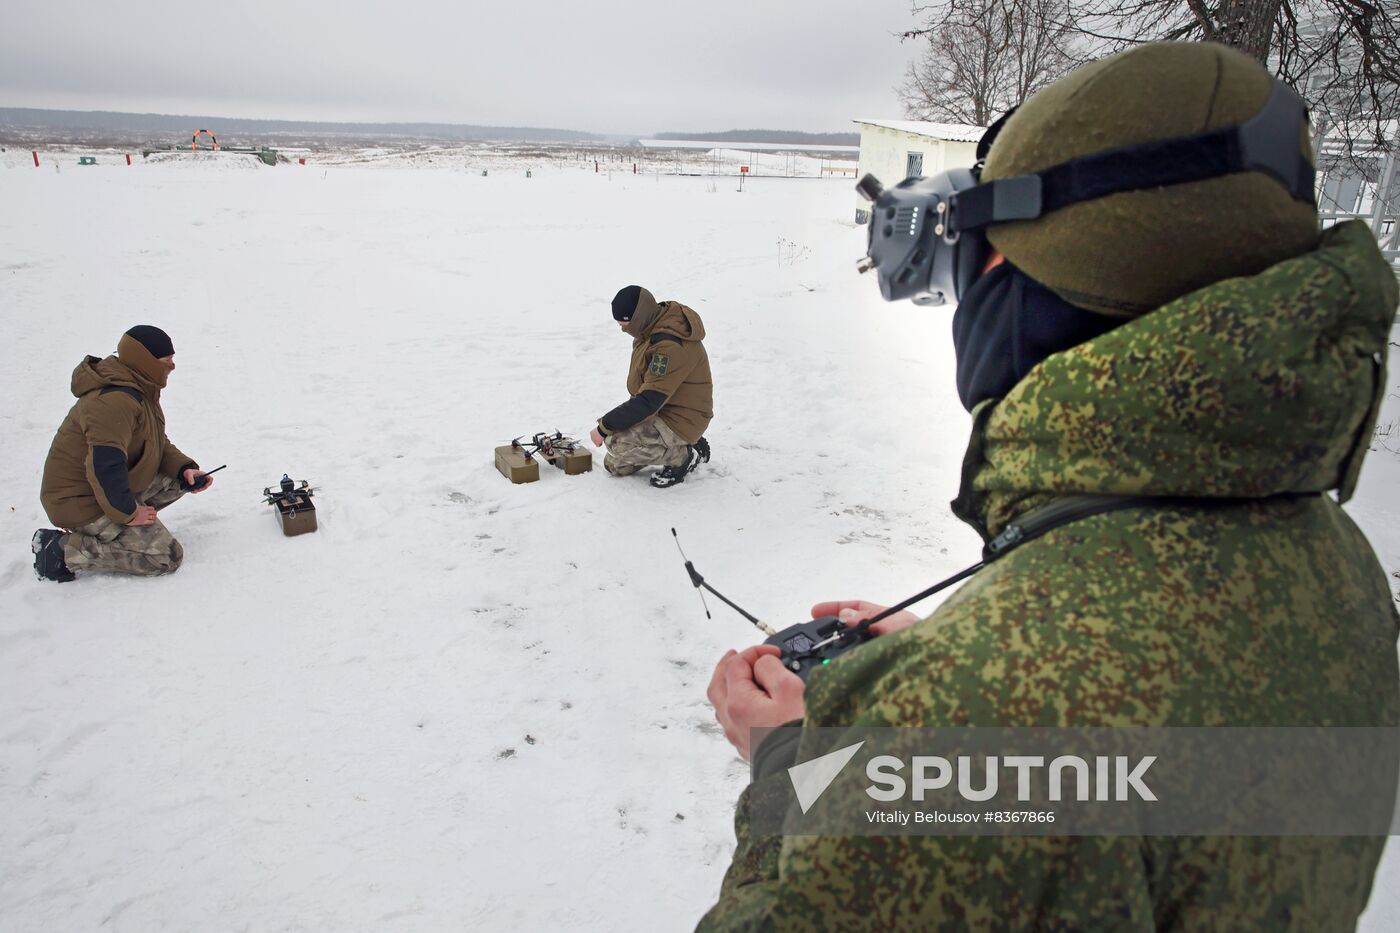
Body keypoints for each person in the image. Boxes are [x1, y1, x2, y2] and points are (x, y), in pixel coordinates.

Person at [700, 43, 1400, 929]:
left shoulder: (985, 714)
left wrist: (796, 762)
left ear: (1030, 276)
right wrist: (1000, 641)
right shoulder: (1340, 567)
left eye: (975, 263)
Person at [32, 325, 214, 582]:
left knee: (178, 481)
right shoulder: (113, 401)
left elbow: (155, 442)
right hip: (78, 501)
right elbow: (103, 466)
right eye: (167, 361)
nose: (172, 367)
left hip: (105, 488)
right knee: (165, 556)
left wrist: (184, 468)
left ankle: (121, 525)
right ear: (145, 361)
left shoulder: (140, 389)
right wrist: (129, 513)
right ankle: (62, 550)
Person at [590, 285, 713, 488]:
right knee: (614, 466)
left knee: (616, 443)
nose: (622, 329)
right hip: (663, 407)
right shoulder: (652, 324)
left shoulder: (668, 347)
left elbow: (649, 401)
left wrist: (604, 427)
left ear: (637, 317)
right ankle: (677, 444)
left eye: (624, 323)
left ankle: (682, 455)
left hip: (682, 418)